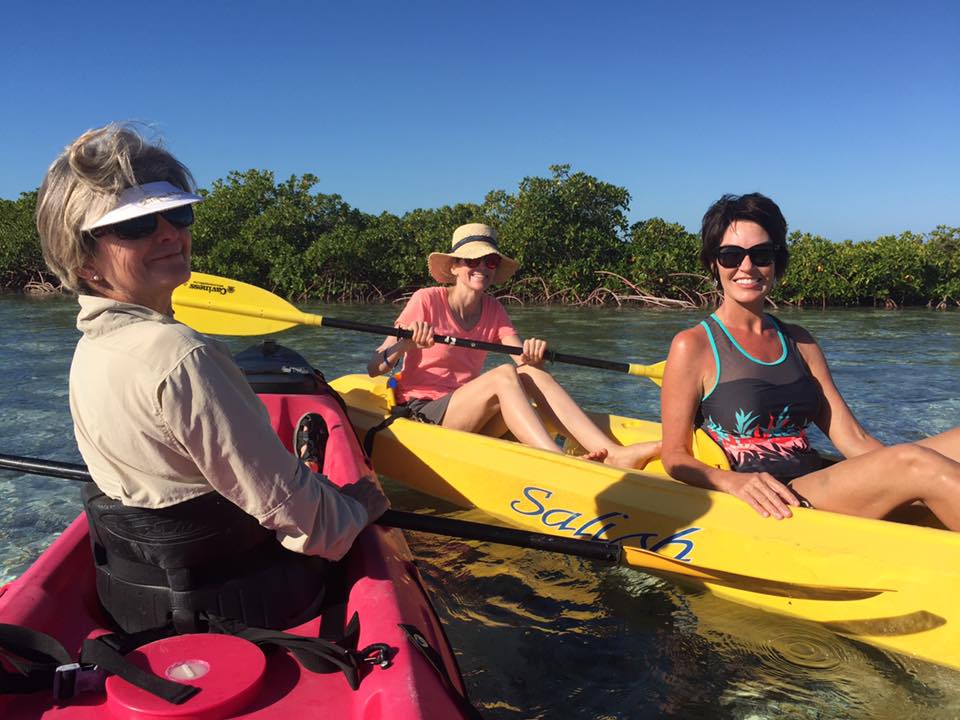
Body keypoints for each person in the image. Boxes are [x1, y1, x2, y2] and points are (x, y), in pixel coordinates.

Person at [35, 123, 389, 630]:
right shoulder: (182, 356)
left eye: (177, 213)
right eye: (136, 225)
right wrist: (356, 507)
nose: (168, 233)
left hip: (135, 603)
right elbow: (309, 522)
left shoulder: (90, 349)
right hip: (244, 604)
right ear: (84, 260)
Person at [660, 192, 960, 528]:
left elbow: (853, 438)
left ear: (776, 262)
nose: (747, 267)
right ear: (713, 264)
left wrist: (896, 478)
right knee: (915, 462)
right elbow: (675, 456)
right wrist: (733, 482)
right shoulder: (693, 345)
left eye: (761, 254)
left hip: (815, 481)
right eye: (730, 255)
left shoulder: (800, 342)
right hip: (777, 497)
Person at [367, 223, 660, 469]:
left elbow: (525, 364)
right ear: (455, 267)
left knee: (529, 373)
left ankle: (613, 453)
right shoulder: (426, 299)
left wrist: (535, 357)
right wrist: (406, 343)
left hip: (468, 411)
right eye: (472, 261)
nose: (482, 267)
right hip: (425, 411)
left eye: (490, 262)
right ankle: (558, 461)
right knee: (504, 375)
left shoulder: (494, 309)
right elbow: (374, 367)